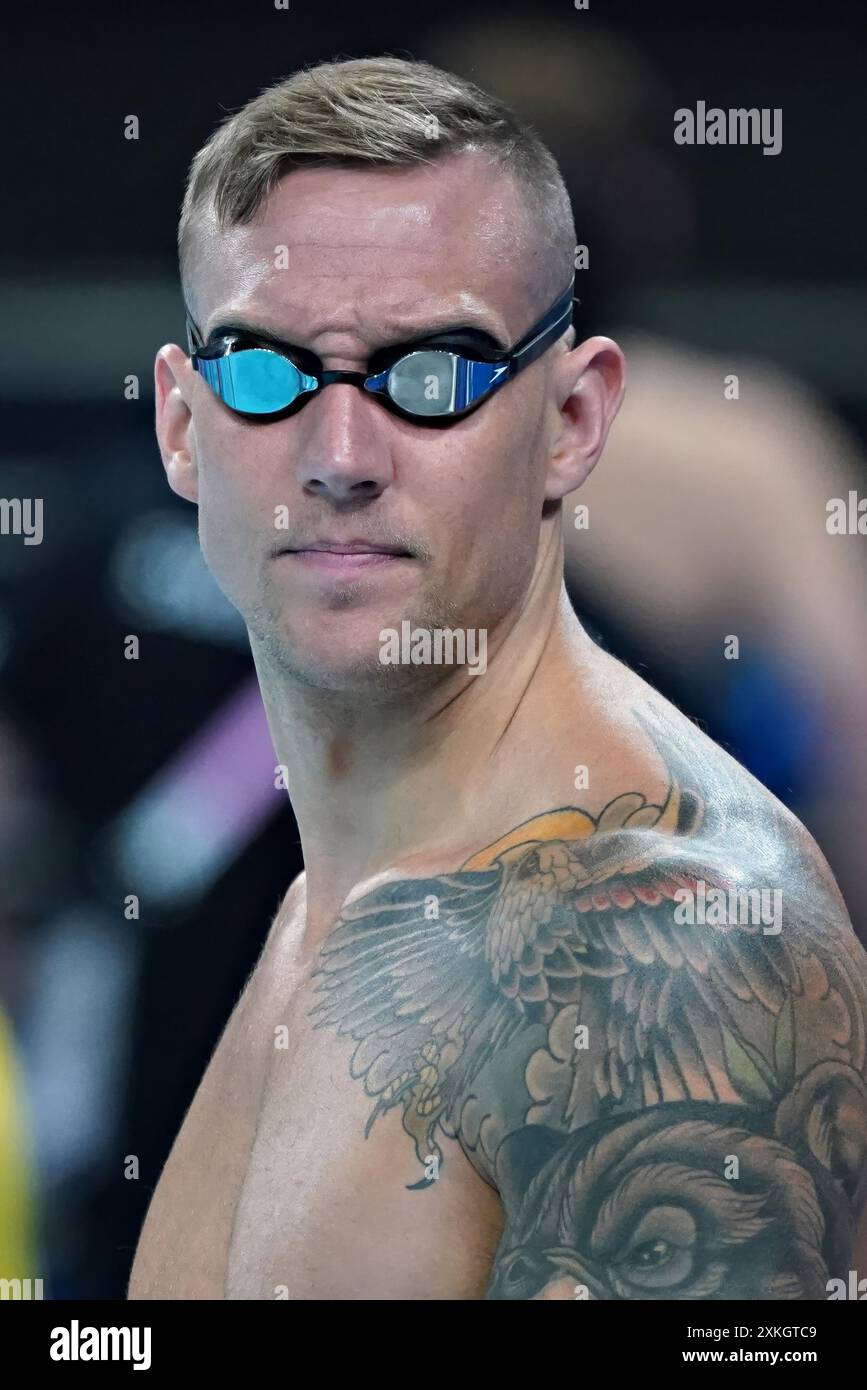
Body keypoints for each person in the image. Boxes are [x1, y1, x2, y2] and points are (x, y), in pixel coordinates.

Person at [129, 57, 867, 1301]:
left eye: (437, 374)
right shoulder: (339, 903)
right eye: (265, 369)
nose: (342, 456)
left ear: (573, 422)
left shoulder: (660, 950)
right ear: (181, 426)